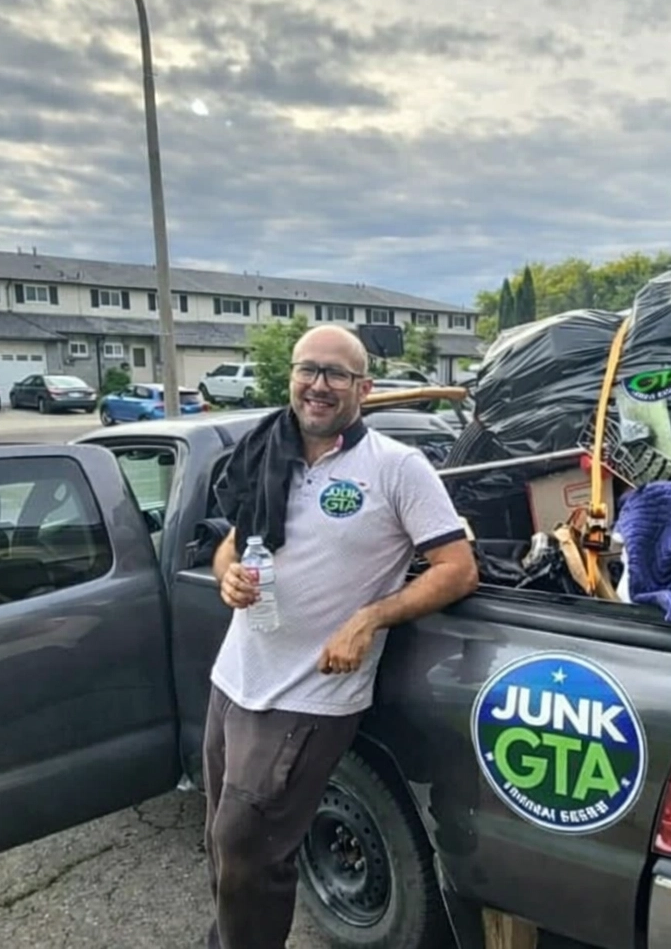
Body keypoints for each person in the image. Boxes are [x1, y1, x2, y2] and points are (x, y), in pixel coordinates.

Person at [204, 324, 478, 949]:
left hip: (311, 695)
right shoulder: (267, 452)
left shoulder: (396, 468)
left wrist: (369, 617)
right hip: (235, 680)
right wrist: (228, 579)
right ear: (291, 378)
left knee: (249, 849)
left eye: (335, 374)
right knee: (223, 845)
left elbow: (458, 569)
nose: (317, 385)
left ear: (363, 388)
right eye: (308, 370)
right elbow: (230, 544)